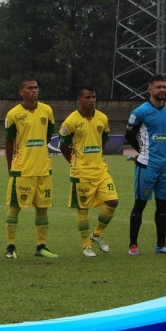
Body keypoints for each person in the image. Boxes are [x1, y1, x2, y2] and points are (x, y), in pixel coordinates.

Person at [58, 85, 118, 258]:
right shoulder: (71, 121)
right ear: (79, 99)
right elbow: (63, 146)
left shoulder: (102, 118)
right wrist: (73, 161)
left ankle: (97, 233)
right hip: (81, 172)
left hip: (101, 170)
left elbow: (103, 141)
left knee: (113, 201)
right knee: (83, 209)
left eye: (93, 97)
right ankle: (86, 245)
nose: (91, 100)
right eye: (87, 97)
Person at [125, 74, 166, 256]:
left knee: (162, 206)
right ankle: (133, 245)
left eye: (164, 87)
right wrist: (141, 150)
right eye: (158, 87)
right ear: (149, 90)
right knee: (140, 204)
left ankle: (161, 245)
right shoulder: (140, 112)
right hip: (147, 165)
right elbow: (129, 134)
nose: (162, 90)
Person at [4, 78, 58, 259]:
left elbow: (48, 136)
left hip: (44, 168)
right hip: (22, 169)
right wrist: (10, 168)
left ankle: (41, 246)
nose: (34, 90)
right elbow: (9, 143)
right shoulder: (13, 114)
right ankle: (10, 247)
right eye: (30, 88)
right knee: (15, 207)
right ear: (21, 92)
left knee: (43, 208)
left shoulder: (47, 110)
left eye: (36, 87)